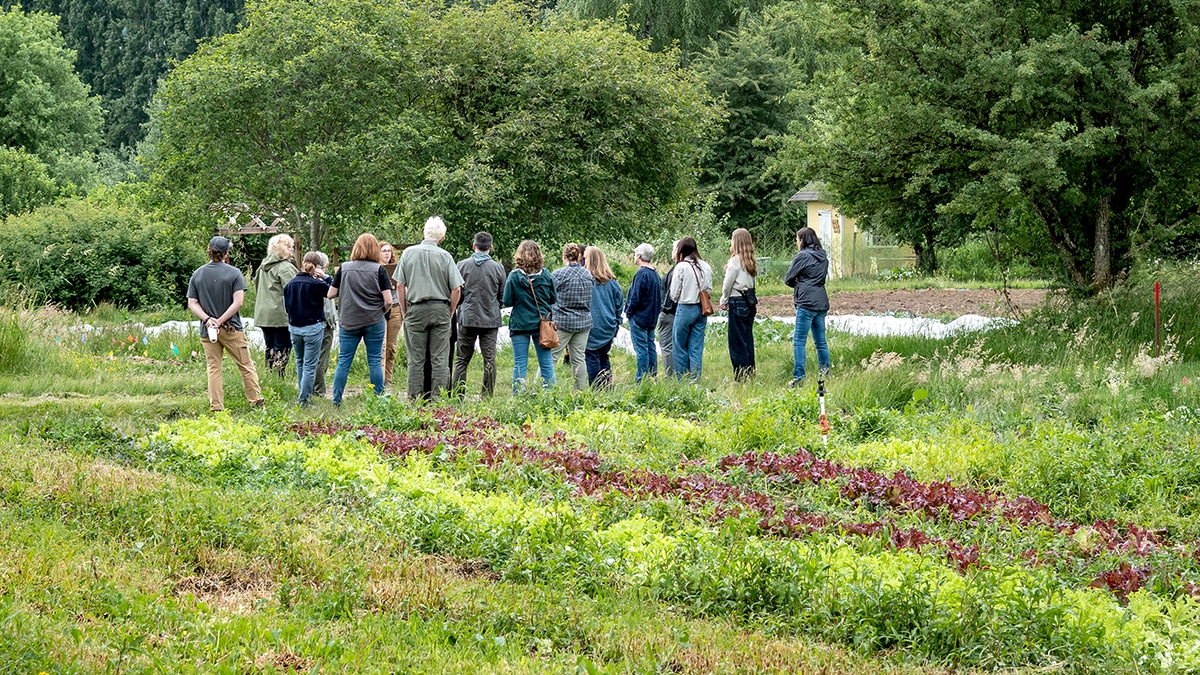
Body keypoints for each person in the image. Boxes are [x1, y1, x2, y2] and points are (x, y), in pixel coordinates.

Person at [186, 236, 264, 411]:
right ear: (226, 253)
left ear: (209, 251)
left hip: (208, 331)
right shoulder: (234, 273)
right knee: (246, 365)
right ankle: (256, 401)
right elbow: (238, 302)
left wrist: (208, 320)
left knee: (213, 368)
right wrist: (220, 321)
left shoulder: (197, 274)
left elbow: (192, 303)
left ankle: (217, 407)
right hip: (231, 329)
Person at [394, 216, 464, 401]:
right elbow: (456, 288)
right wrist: (450, 311)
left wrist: (403, 310)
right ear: (441, 238)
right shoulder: (445, 256)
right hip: (440, 308)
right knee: (440, 358)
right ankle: (438, 400)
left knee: (415, 359)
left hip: (415, 308)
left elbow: (399, 285)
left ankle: (415, 399)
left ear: (424, 232)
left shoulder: (408, 253)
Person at [328, 233, 392, 404]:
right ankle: (379, 399)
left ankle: (336, 400)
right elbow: (388, 300)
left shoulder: (344, 267)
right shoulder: (379, 270)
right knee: (375, 361)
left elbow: (330, 294)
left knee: (343, 361)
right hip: (374, 320)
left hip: (349, 320)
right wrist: (382, 311)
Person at [452, 231, 506, 397]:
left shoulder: (461, 265)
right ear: (491, 247)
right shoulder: (498, 268)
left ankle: (458, 396)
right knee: (489, 359)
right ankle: (486, 396)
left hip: (467, 318)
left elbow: (456, 292)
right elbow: (502, 296)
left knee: (462, 359)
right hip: (490, 319)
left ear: (474, 246)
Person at [502, 240, 557, 392]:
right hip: (542, 325)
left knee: (520, 363)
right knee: (546, 363)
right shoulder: (547, 276)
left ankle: (518, 399)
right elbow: (553, 299)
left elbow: (506, 301)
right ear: (539, 256)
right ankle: (550, 395)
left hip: (520, 323)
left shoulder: (514, 277)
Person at [284, 252, 332, 406]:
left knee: (300, 362)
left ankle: (302, 394)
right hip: (313, 327)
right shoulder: (317, 284)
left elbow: (287, 308)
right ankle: (304, 400)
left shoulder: (290, 284)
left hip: (295, 328)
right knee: (310, 365)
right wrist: (326, 277)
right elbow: (332, 292)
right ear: (317, 267)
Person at [784, 226, 831, 386]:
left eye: (797, 239)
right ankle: (825, 373)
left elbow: (788, 278)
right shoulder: (823, 257)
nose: (797, 243)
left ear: (802, 240)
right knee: (821, 342)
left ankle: (799, 377)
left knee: (799, 340)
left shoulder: (802, 256)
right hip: (821, 301)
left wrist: (799, 281)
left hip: (806, 302)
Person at [253, 233, 299, 377]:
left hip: (263, 314)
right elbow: (295, 291)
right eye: (289, 247)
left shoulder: (262, 266)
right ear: (281, 249)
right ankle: (278, 377)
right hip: (280, 315)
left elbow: (257, 287)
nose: (292, 250)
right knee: (282, 347)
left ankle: (270, 377)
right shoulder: (285, 268)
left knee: (270, 347)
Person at [668, 237, 713, 382]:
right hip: (701, 309)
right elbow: (709, 289)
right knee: (696, 347)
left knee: (679, 346)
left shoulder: (681, 267)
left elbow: (674, 294)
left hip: (685, 308)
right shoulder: (705, 265)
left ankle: (682, 380)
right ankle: (695, 381)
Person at [551, 243, 593, 390]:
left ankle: (541, 390)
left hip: (562, 322)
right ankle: (580, 392)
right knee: (579, 359)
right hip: (583, 322)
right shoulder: (587, 274)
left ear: (564, 256)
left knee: (550, 358)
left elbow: (550, 297)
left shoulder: (558, 274)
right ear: (579, 256)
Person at [720, 228, 758, 381]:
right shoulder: (751, 261)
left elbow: (727, 285)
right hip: (749, 302)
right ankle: (750, 370)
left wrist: (723, 300)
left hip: (736, 301)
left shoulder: (734, 262)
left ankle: (740, 375)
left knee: (736, 342)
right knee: (747, 338)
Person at [583, 246, 623, 388]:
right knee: (604, 356)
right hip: (608, 326)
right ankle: (607, 386)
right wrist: (617, 322)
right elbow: (619, 305)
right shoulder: (613, 282)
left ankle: (596, 389)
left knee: (592, 357)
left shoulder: (586, 281)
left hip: (592, 326)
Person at [624, 243, 662, 382]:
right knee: (650, 346)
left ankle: (641, 378)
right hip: (651, 317)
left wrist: (628, 312)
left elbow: (635, 297)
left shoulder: (641, 273)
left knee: (641, 349)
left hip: (639, 317)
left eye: (635, 254)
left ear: (639, 256)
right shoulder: (655, 274)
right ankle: (653, 375)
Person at [311, 251, 337, 398]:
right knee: (321, 358)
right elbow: (328, 303)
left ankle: (309, 388)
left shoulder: (306, 279)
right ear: (325, 266)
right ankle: (319, 390)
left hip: (308, 324)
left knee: (309, 358)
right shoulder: (324, 282)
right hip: (324, 324)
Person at [379, 242, 403, 388]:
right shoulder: (374, 268)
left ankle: (388, 378)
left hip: (394, 307)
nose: (387, 253)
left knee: (391, 346)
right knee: (380, 346)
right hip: (379, 308)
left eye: (389, 251)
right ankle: (378, 378)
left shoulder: (397, 269)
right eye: (383, 251)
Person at [657, 240, 682, 377]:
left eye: (673, 249)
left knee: (667, 346)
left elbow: (672, 294)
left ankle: (670, 375)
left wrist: (664, 310)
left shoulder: (676, 271)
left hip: (670, 312)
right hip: (676, 312)